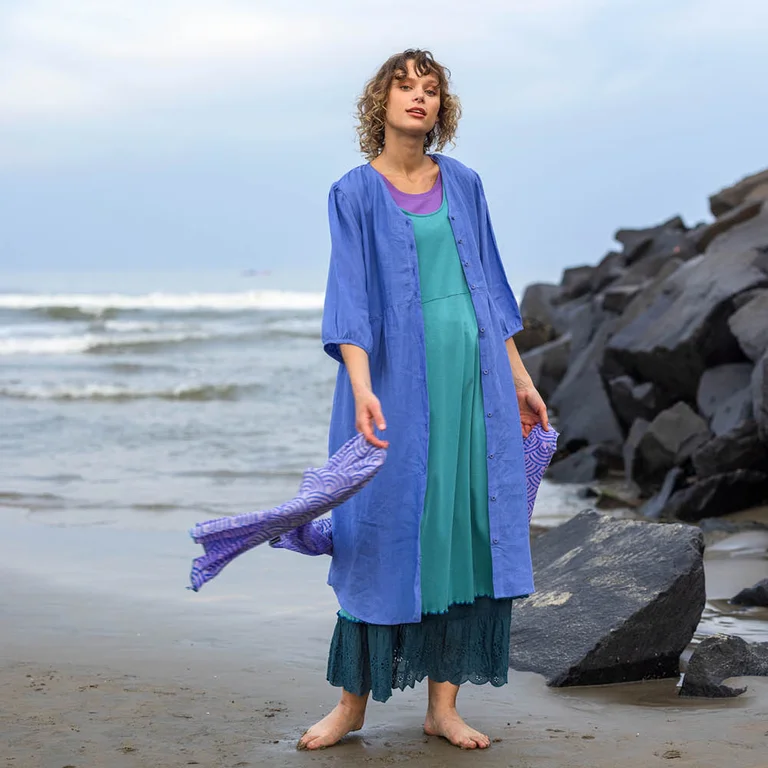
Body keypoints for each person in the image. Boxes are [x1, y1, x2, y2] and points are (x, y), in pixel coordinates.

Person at [298, 49, 549, 751]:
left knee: (461, 529)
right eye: (404, 86)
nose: (419, 97)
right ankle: (351, 706)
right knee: (380, 530)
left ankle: (444, 706)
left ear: (442, 107)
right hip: (392, 383)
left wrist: (520, 379)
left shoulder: (464, 183)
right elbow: (349, 297)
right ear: (379, 103)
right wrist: (360, 386)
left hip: (475, 379)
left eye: (431, 89)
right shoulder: (352, 193)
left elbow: (490, 287)